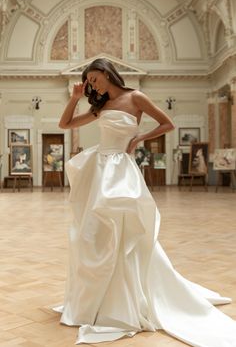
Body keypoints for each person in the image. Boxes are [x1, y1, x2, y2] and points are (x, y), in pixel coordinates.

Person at [57, 58, 236, 346]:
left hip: (121, 172)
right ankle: (100, 298)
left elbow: (168, 124)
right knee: (95, 234)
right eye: (89, 82)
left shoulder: (135, 97)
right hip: (99, 170)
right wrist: (76, 98)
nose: (92, 84)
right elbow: (64, 123)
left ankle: (129, 297)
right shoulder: (98, 106)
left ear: (106, 73)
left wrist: (140, 138)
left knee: (128, 232)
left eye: (93, 79)